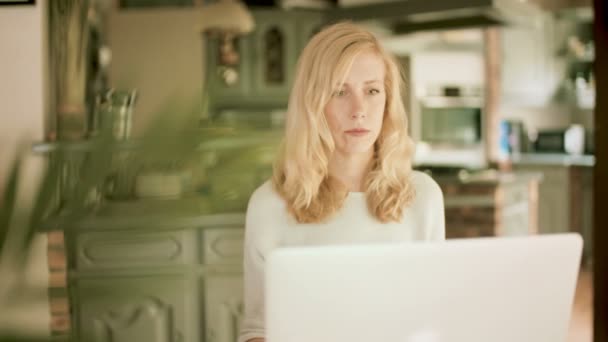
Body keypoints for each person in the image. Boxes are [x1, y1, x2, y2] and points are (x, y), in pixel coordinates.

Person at [238, 21, 445, 342]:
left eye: (372, 91)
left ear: (388, 101)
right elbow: (258, 331)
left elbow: (434, 320)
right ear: (313, 102)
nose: (359, 110)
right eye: (339, 92)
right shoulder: (269, 205)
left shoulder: (423, 197)